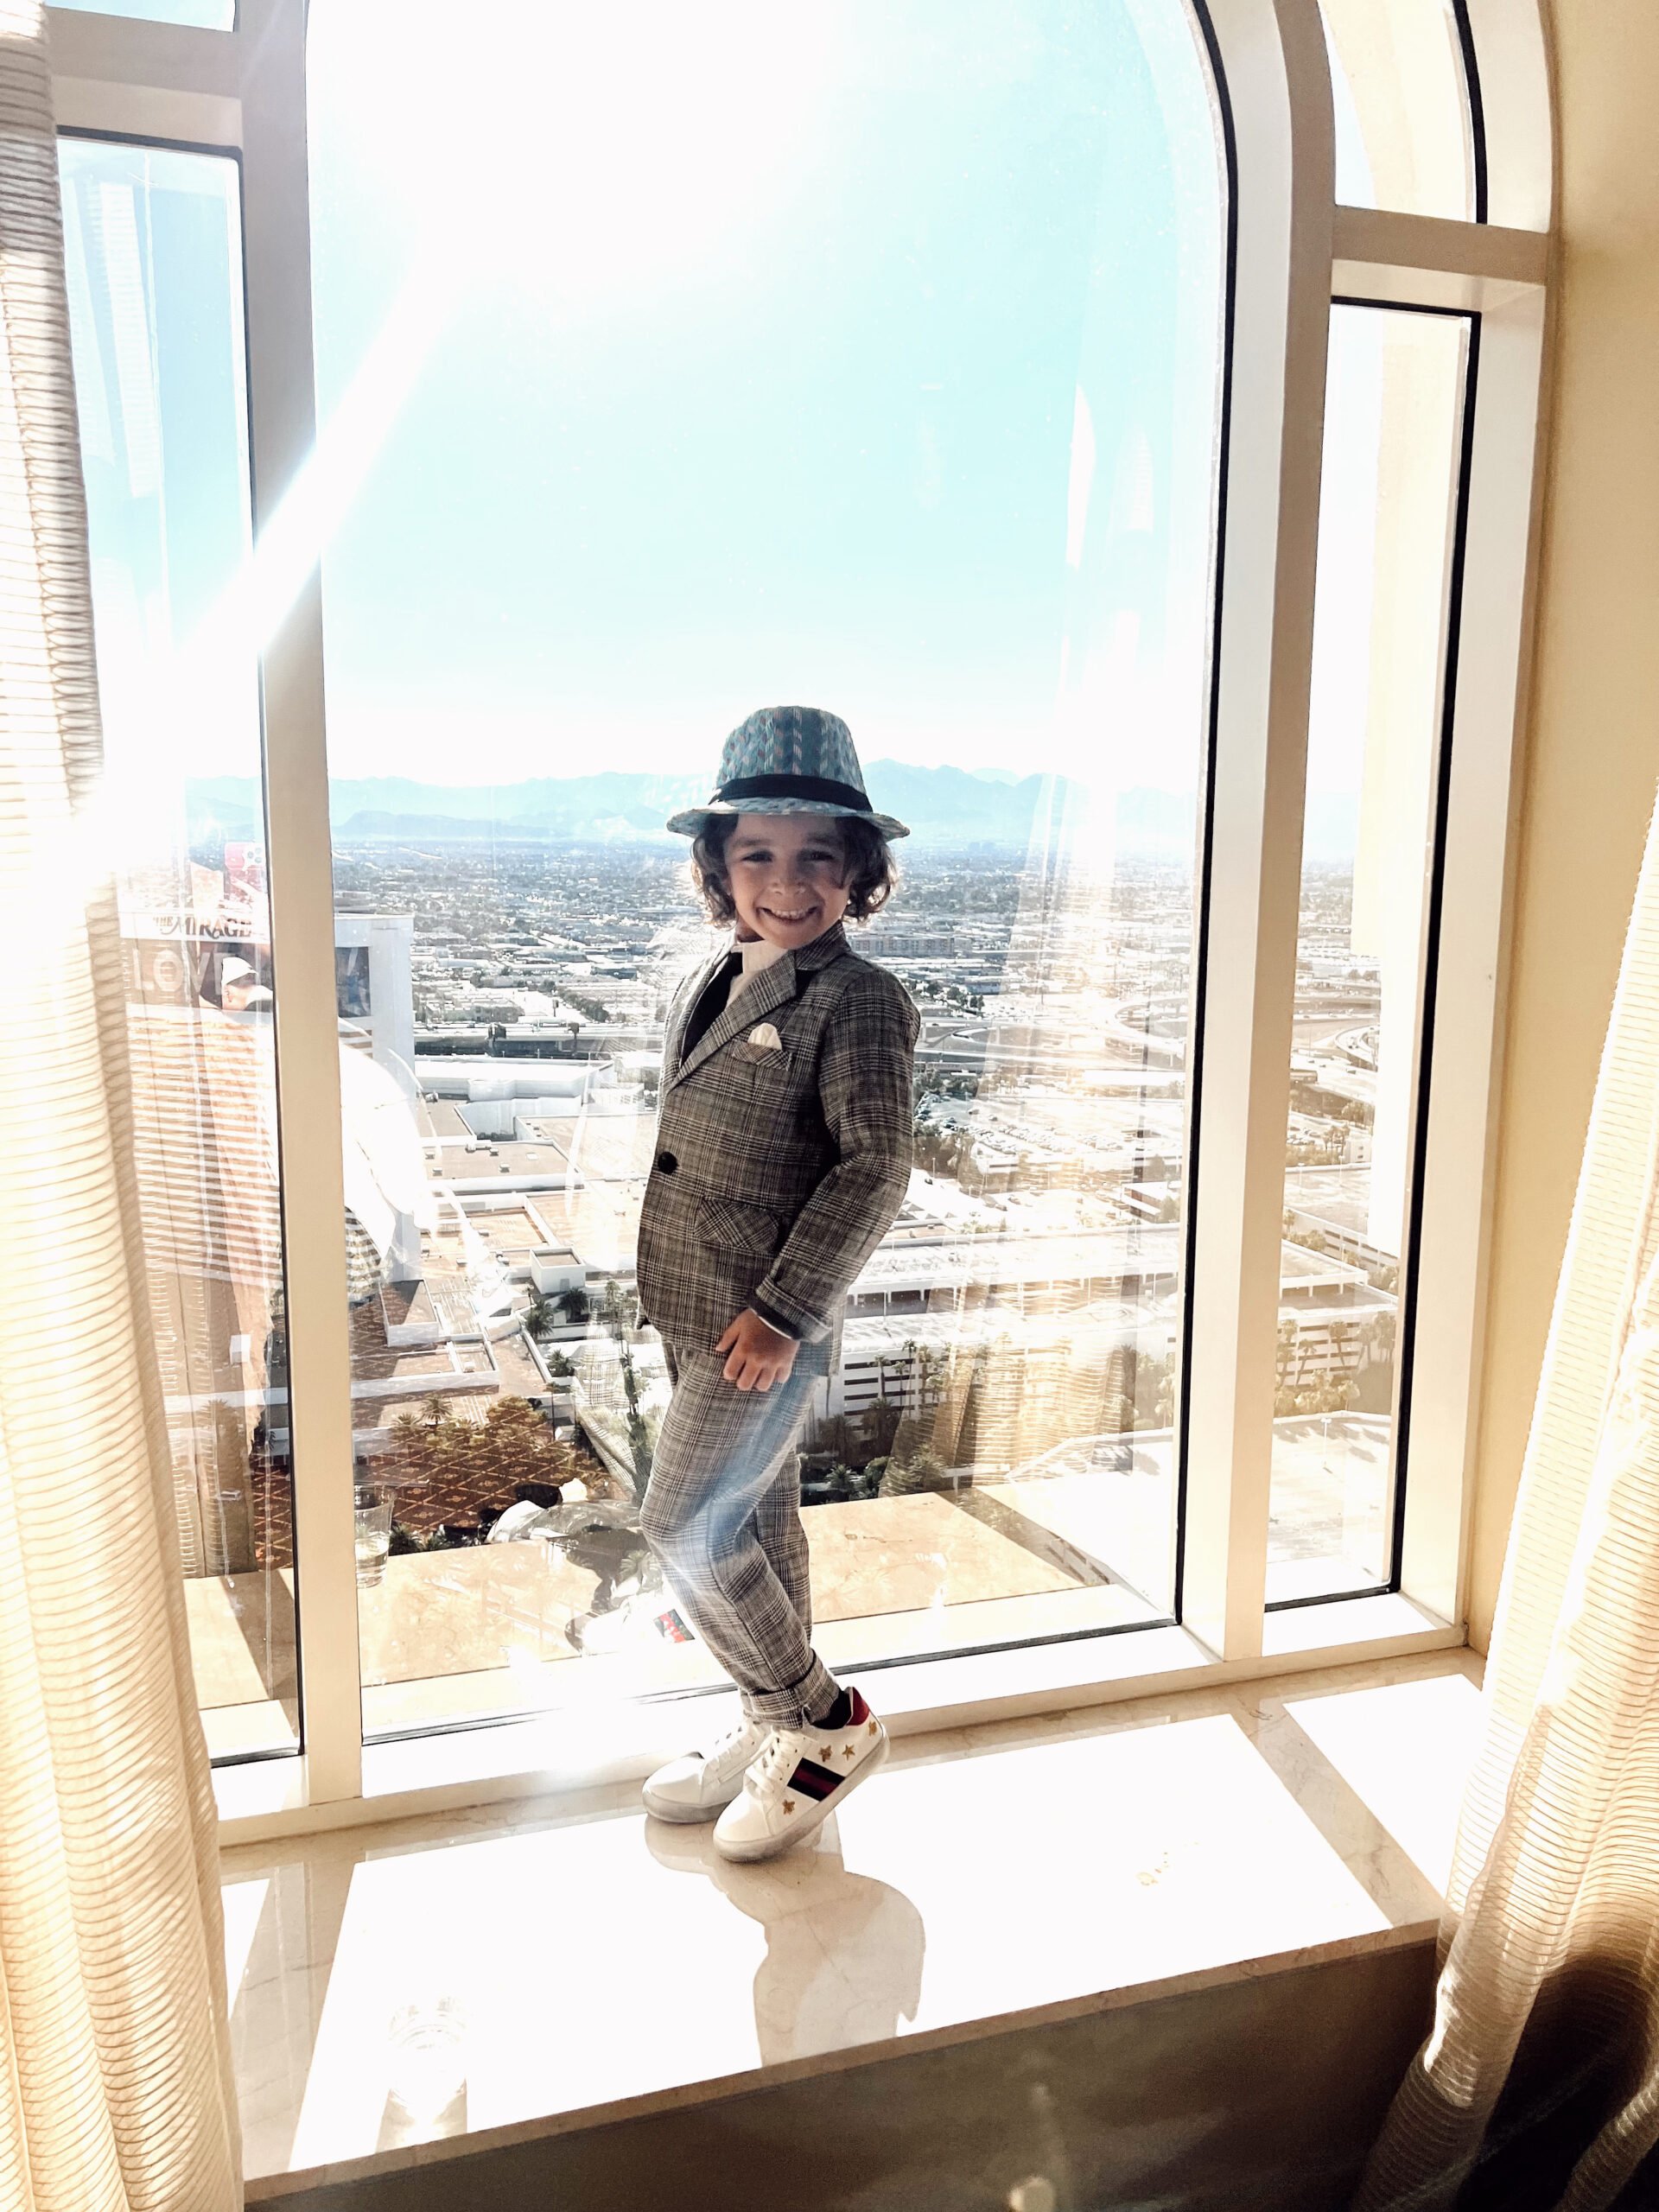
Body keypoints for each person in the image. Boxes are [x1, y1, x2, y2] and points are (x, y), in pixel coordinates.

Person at [635, 705, 918, 1862]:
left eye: (817, 859)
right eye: (756, 854)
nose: (786, 882)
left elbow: (877, 1165)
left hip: (762, 1325)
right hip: (696, 1300)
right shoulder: (723, 977)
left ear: (859, 873)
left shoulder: (856, 999)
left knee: (683, 1525)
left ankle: (820, 1721)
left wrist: (786, 1312)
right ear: (718, 867)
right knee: (755, 1520)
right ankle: (766, 1727)